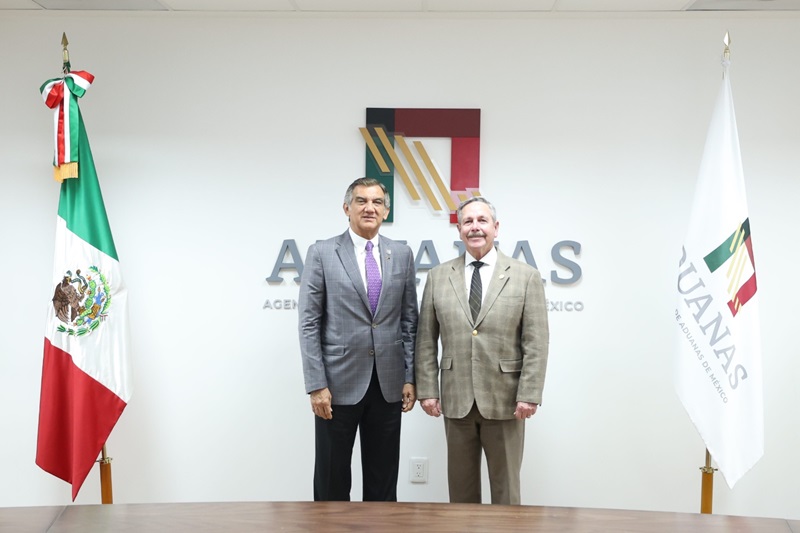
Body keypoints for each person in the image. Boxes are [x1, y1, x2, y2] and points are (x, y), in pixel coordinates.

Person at [415, 196, 549, 505]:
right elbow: (426, 340)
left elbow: (536, 341)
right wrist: (428, 391)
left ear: (496, 228)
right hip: (456, 398)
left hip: (506, 401)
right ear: (459, 230)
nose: (475, 227)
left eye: (482, 221)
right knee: (461, 495)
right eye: (468, 222)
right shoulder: (438, 276)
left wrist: (529, 393)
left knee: (506, 493)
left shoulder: (525, 276)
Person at [298, 177, 418, 502]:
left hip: (388, 384)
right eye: (361, 201)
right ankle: (329, 527)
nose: (369, 208)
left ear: (386, 211)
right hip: (336, 387)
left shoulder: (401, 254)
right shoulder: (322, 253)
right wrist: (316, 384)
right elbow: (309, 323)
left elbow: (409, 320)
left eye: (377, 202)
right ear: (346, 208)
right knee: (332, 480)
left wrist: (410, 376)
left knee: (383, 483)